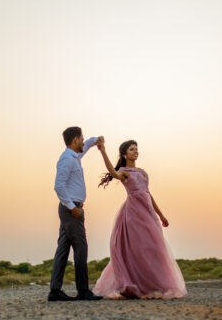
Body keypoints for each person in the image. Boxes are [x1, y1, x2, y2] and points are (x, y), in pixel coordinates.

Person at [92, 139, 187, 299]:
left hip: (148, 212)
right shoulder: (124, 171)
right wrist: (102, 151)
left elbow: (148, 193)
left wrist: (160, 214)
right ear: (124, 154)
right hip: (133, 214)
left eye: (136, 149)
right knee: (137, 248)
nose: (135, 151)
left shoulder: (142, 173)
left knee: (155, 247)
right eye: (131, 149)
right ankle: (134, 283)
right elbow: (113, 173)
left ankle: (155, 283)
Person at [48, 126, 104, 302]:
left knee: (63, 249)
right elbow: (59, 185)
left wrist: (95, 140)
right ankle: (83, 291)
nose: (82, 141)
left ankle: (55, 291)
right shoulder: (67, 159)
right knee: (81, 248)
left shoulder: (74, 156)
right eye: (81, 138)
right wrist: (72, 207)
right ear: (74, 140)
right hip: (71, 210)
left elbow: (85, 147)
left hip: (70, 209)